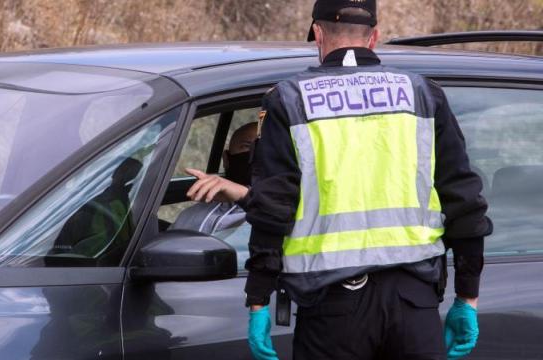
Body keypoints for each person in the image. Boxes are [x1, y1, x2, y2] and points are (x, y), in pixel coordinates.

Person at [189, 1, 492, 359]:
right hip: (414, 306)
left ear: (318, 34)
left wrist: (258, 300)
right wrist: (467, 297)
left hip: (332, 311)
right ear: (374, 37)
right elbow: (464, 199)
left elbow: (273, 210)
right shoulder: (423, 94)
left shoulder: (290, 99)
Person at [175, 122, 257, 234]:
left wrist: (245, 196)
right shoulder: (191, 214)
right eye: (247, 146)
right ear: (226, 159)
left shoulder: (283, 212)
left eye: (269, 148)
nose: (258, 155)